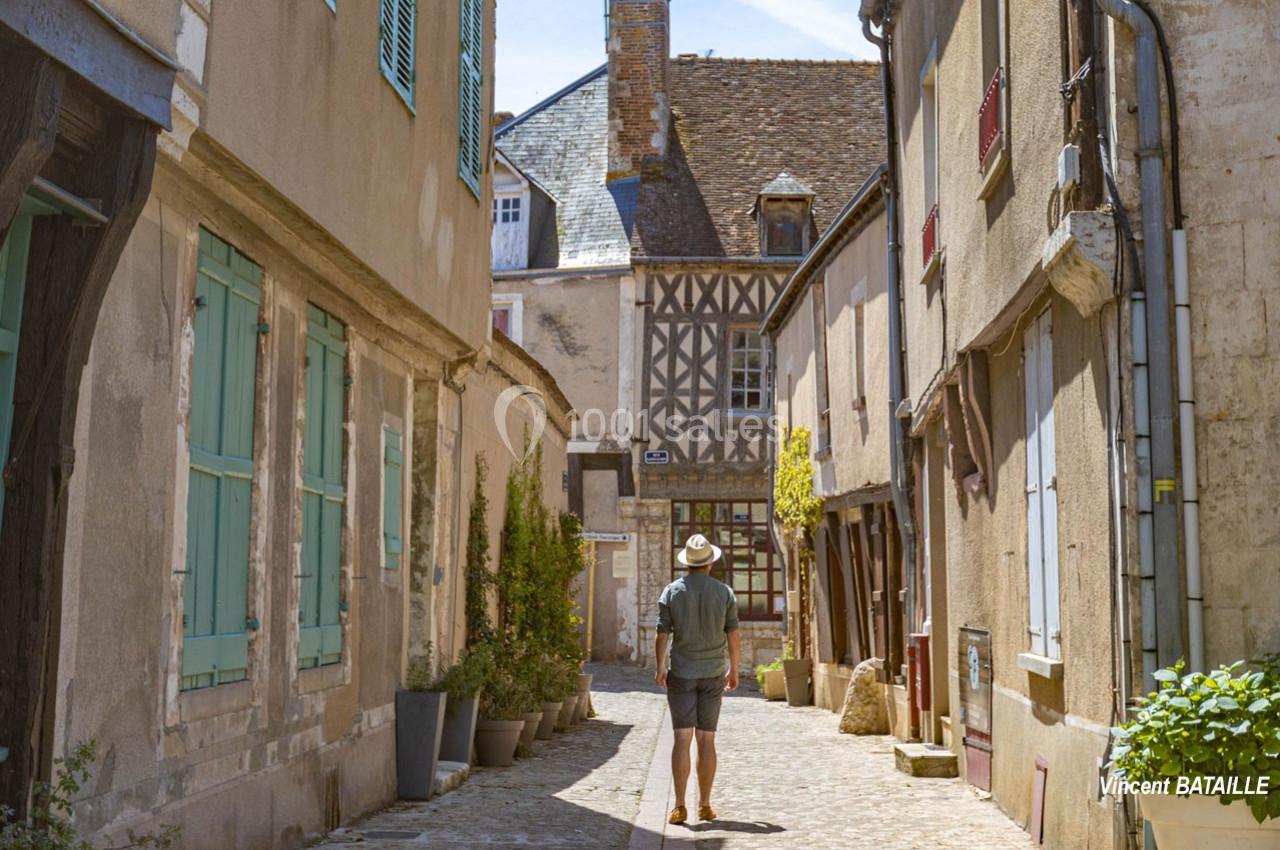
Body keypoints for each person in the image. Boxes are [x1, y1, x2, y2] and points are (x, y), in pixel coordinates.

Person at [655, 533, 741, 825]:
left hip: (681, 672)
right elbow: (733, 634)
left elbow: (662, 633)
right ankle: (705, 804)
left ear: (687, 564)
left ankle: (679, 806)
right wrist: (735, 668)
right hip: (714, 672)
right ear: (710, 564)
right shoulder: (725, 593)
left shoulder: (672, 592)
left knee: (682, 737)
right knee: (707, 739)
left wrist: (659, 667)